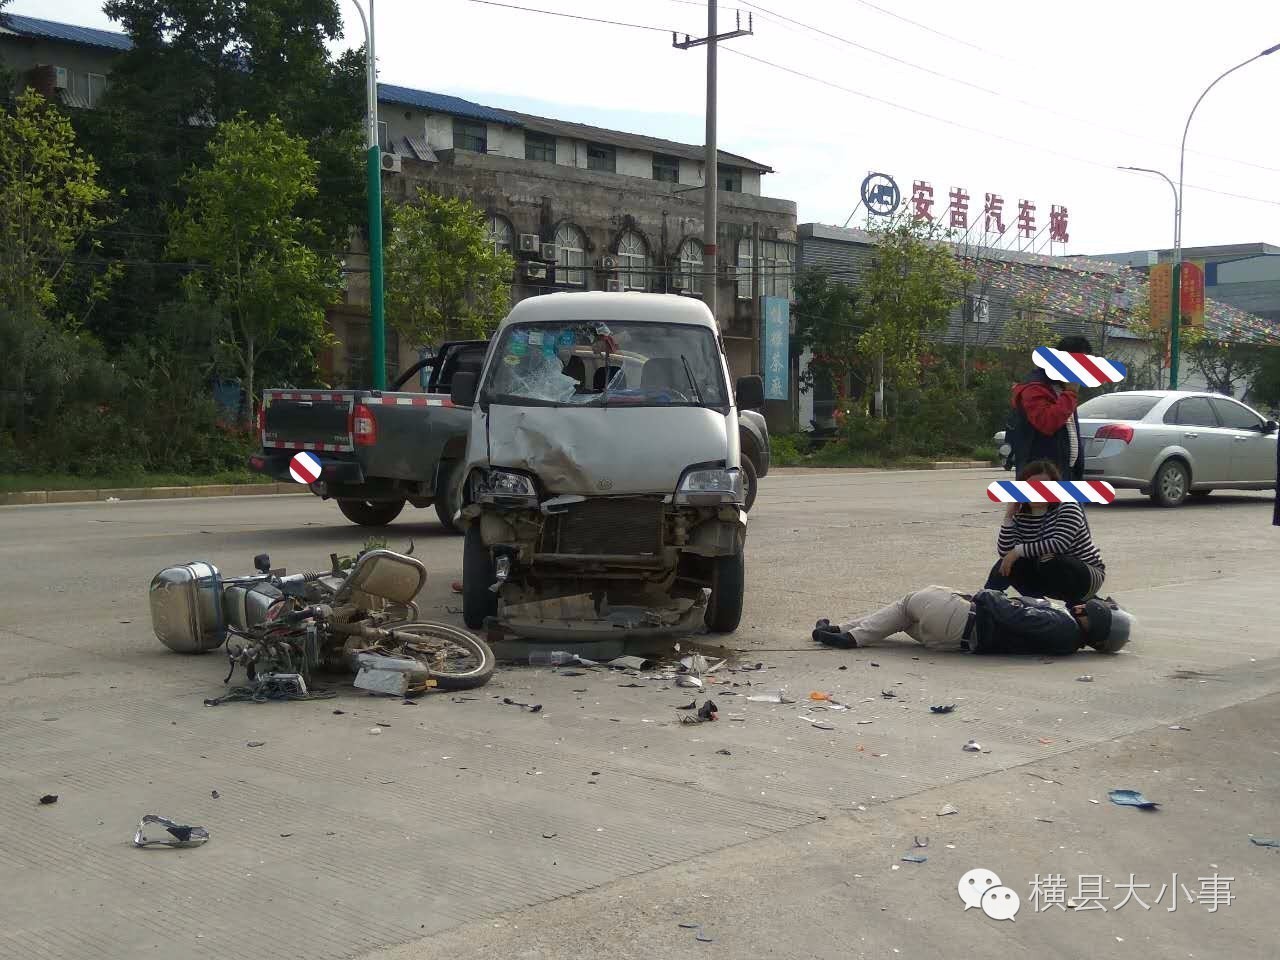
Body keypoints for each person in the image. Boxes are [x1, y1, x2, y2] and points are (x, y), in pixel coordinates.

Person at [811, 589, 1131, 656]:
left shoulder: (1063, 627)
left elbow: (1012, 615)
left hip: (967, 622)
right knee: (900, 615)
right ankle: (840, 631)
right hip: (959, 639)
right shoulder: (1067, 639)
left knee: (910, 602)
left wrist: (988, 594)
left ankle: (849, 637)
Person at [985, 460, 1106, 602]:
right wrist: (1008, 517)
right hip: (1047, 572)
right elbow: (1006, 552)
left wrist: (1018, 551)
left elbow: (1059, 544)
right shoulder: (1021, 514)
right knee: (1009, 562)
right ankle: (985, 602)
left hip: (1085, 574)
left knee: (1050, 561)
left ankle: (1080, 606)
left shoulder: (1068, 506)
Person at [1007, 334, 1092, 480]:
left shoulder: (1064, 387)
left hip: (1067, 471)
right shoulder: (1035, 388)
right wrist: (1070, 393)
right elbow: (1047, 423)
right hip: (1042, 475)